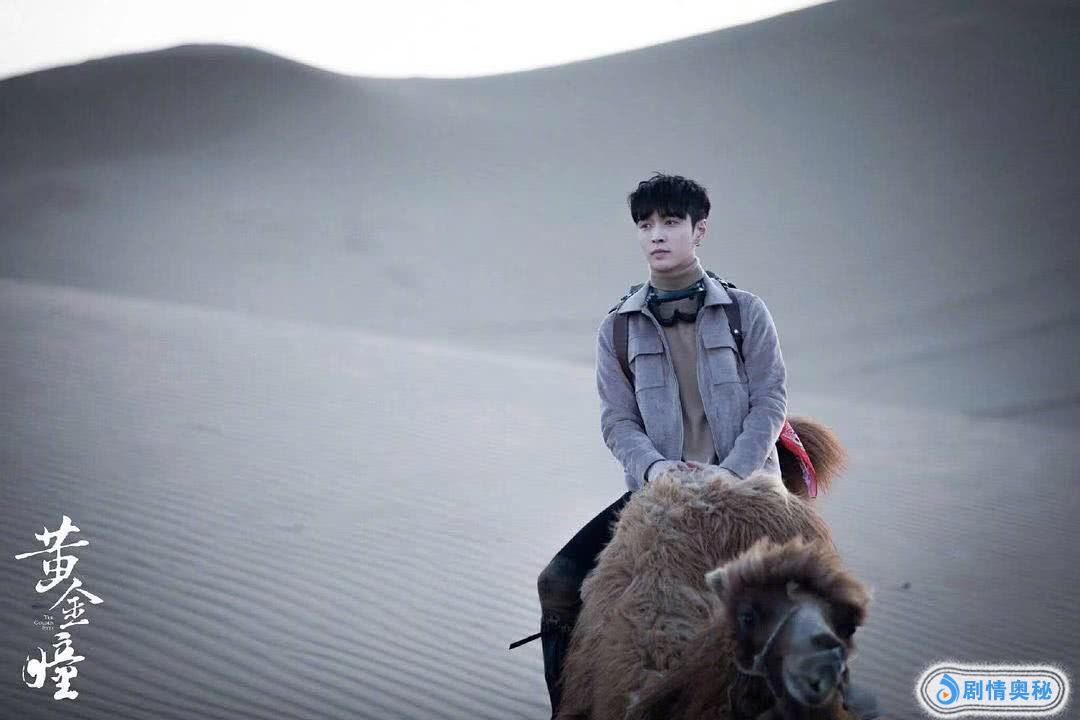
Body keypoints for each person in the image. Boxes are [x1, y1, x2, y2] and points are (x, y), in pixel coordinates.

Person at [534, 172, 788, 717]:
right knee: (557, 582)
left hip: (751, 492)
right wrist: (654, 470)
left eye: (671, 221)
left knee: (809, 603)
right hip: (658, 497)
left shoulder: (745, 312)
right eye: (645, 224)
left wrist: (732, 472)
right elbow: (617, 422)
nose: (657, 234)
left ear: (700, 230)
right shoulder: (618, 328)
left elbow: (771, 400)